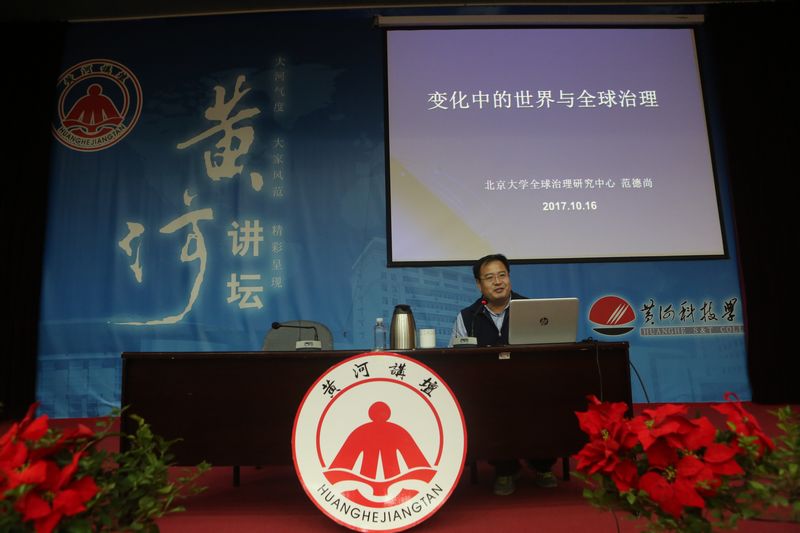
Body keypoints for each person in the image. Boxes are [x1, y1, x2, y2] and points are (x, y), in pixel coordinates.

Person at [449, 253, 558, 496]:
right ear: (479, 284)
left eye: (502, 275)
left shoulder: (533, 310)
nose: (498, 282)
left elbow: (550, 352)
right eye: (490, 278)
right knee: (491, 406)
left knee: (546, 402)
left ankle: (542, 465)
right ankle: (505, 469)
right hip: (487, 389)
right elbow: (457, 358)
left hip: (530, 384)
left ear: (509, 278)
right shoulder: (468, 317)